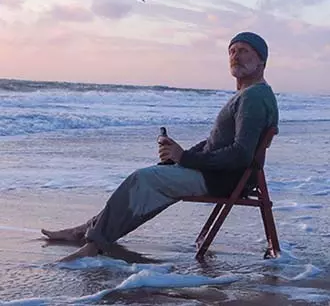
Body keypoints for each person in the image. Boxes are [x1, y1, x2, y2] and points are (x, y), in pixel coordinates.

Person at [41, 31, 279, 262]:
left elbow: (240, 155)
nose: (236, 56)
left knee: (144, 179)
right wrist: (180, 154)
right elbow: (215, 143)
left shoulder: (253, 98)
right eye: (232, 51)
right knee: (147, 178)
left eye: (244, 51)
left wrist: (184, 158)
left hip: (225, 180)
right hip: (222, 175)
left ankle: (93, 244)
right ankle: (86, 231)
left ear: (261, 60)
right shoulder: (251, 94)